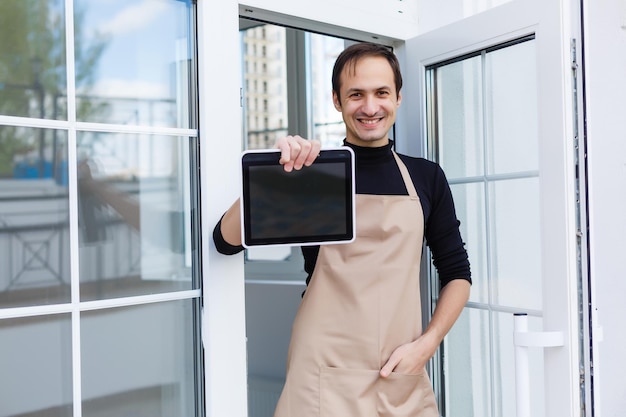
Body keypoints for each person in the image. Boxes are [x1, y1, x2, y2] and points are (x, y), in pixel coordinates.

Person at [213, 42, 471, 417]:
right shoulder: (313, 174)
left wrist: (427, 345)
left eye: (381, 92)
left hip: (398, 367)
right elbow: (225, 241)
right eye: (356, 94)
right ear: (337, 100)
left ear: (398, 97)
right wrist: (272, 174)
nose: (370, 107)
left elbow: (457, 274)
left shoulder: (426, 177)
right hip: (320, 371)